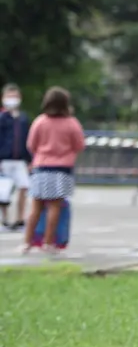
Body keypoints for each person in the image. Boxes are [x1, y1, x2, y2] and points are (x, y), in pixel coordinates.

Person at [21, 87, 85, 254]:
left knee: (36, 207)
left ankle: (27, 242)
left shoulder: (40, 121)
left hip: (41, 167)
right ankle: (49, 243)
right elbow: (79, 145)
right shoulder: (72, 123)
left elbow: (31, 144)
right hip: (62, 169)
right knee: (55, 207)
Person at [0, 84, 32, 230]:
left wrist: (30, 159)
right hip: (4, 160)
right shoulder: (2, 118)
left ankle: (20, 219)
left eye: (14, 96)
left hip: (20, 160)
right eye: (9, 96)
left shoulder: (23, 118)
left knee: (23, 187)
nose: (12, 100)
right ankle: (4, 219)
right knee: (3, 191)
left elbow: (28, 139)